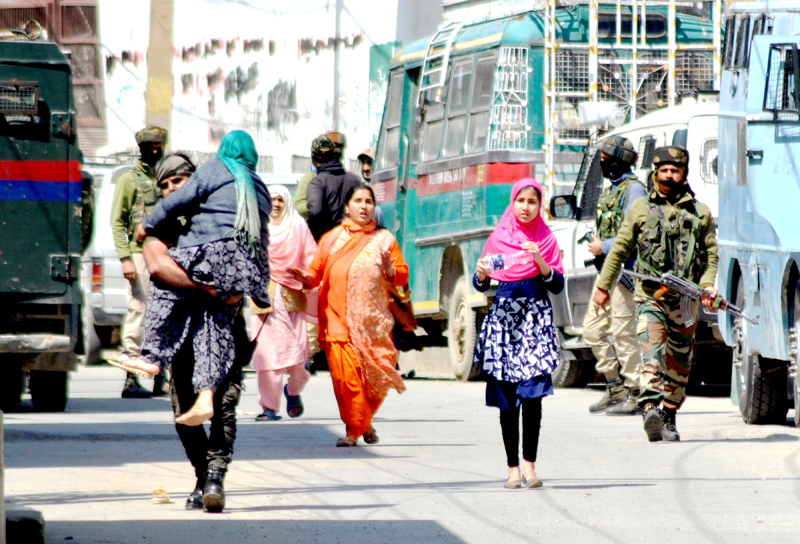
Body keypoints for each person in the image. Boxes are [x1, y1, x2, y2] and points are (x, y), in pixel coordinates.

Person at [112, 130, 272, 428]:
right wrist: (255, 287)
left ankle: (152, 356)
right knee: (216, 328)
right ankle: (206, 396)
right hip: (243, 268)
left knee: (165, 281)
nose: (171, 187)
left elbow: (182, 199)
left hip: (212, 253)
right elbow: (263, 238)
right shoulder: (259, 185)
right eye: (165, 184)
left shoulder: (216, 168)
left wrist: (147, 223)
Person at [141, 152, 248, 513]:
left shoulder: (221, 216)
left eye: (178, 181)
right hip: (180, 332)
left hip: (224, 327)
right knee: (184, 408)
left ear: (194, 182)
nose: (172, 188)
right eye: (165, 185)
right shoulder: (159, 226)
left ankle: (215, 475)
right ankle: (202, 475)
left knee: (224, 403)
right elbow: (158, 267)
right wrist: (206, 286)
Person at [592, 146, 718, 443]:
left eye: (675, 171)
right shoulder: (639, 210)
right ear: (655, 173)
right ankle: (650, 408)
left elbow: (711, 255)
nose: (669, 176)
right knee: (651, 349)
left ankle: (670, 416)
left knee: (680, 362)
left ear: (684, 174)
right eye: (664, 171)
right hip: (650, 295)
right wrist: (602, 288)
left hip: (686, 300)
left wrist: (709, 284)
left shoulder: (700, 213)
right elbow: (619, 250)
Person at [290, 185, 408, 446]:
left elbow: (402, 274)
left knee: (376, 379)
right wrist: (305, 277)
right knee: (347, 379)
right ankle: (354, 430)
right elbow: (315, 273)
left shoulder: (385, 239)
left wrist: (390, 269)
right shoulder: (332, 239)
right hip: (336, 319)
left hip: (373, 323)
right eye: (358, 201)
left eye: (369, 201)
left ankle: (363, 421)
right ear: (347, 206)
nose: (363, 206)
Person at [472, 178, 564, 489]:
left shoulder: (546, 240)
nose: (525, 207)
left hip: (534, 325)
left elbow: (557, 285)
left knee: (533, 396)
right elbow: (482, 283)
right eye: (521, 201)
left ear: (540, 207)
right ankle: (512, 468)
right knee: (508, 400)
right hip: (504, 324)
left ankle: (530, 467)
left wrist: (539, 260)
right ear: (513, 202)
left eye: (532, 202)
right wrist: (481, 274)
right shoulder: (498, 238)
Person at [584, 136, 647, 415]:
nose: (602, 164)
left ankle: (635, 391)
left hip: (624, 272)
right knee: (592, 330)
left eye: (606, 161)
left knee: (623, 334)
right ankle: (614, 386)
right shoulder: (612, 189)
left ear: (619, 161)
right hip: (605, 272)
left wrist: (604, 246)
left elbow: (637, 234)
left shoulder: (634, 190)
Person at [110, 125, 168, 399]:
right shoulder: (129, 179)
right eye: (150, 146)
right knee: (139, 312)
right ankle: (131, 376)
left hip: (167, 254)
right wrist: (125, 259)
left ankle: (161, 375)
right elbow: (117, 222)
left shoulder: (168, 177)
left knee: (166, 313)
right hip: (138, 253)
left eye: (159, 145)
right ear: (141, 149)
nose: (155, 150)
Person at [250, 185, 317, 421]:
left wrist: (306, 275)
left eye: (280, 199)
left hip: (293, 294)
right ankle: (269, 407)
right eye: (272, 199)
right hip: (263, 297)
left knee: (299, 354)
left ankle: (293, 390)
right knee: (267, 355)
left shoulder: (298, 226)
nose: (276, 204)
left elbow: (312, 259)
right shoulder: (257, 227)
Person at [305, 133, 361, 240]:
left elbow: (315, 212)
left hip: (328, 243)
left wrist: (315, 237)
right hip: (354, 242)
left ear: (314, 160)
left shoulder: (317, 183)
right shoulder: (355, 180)